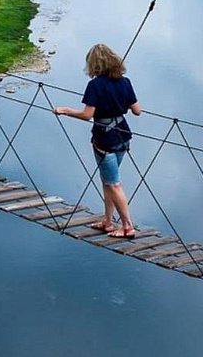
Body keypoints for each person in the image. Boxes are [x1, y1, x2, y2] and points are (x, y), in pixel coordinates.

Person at [53, 43, 141, 238]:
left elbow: (87, 115)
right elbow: (137, 111)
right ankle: (108, 221)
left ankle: (128, 227)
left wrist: (65, 110)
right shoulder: (125, 82)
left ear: (94, 64)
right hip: (123, 137)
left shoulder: (95, 86)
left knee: (114, 184)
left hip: (105, 140)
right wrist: (119, 101)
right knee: (107, 180)